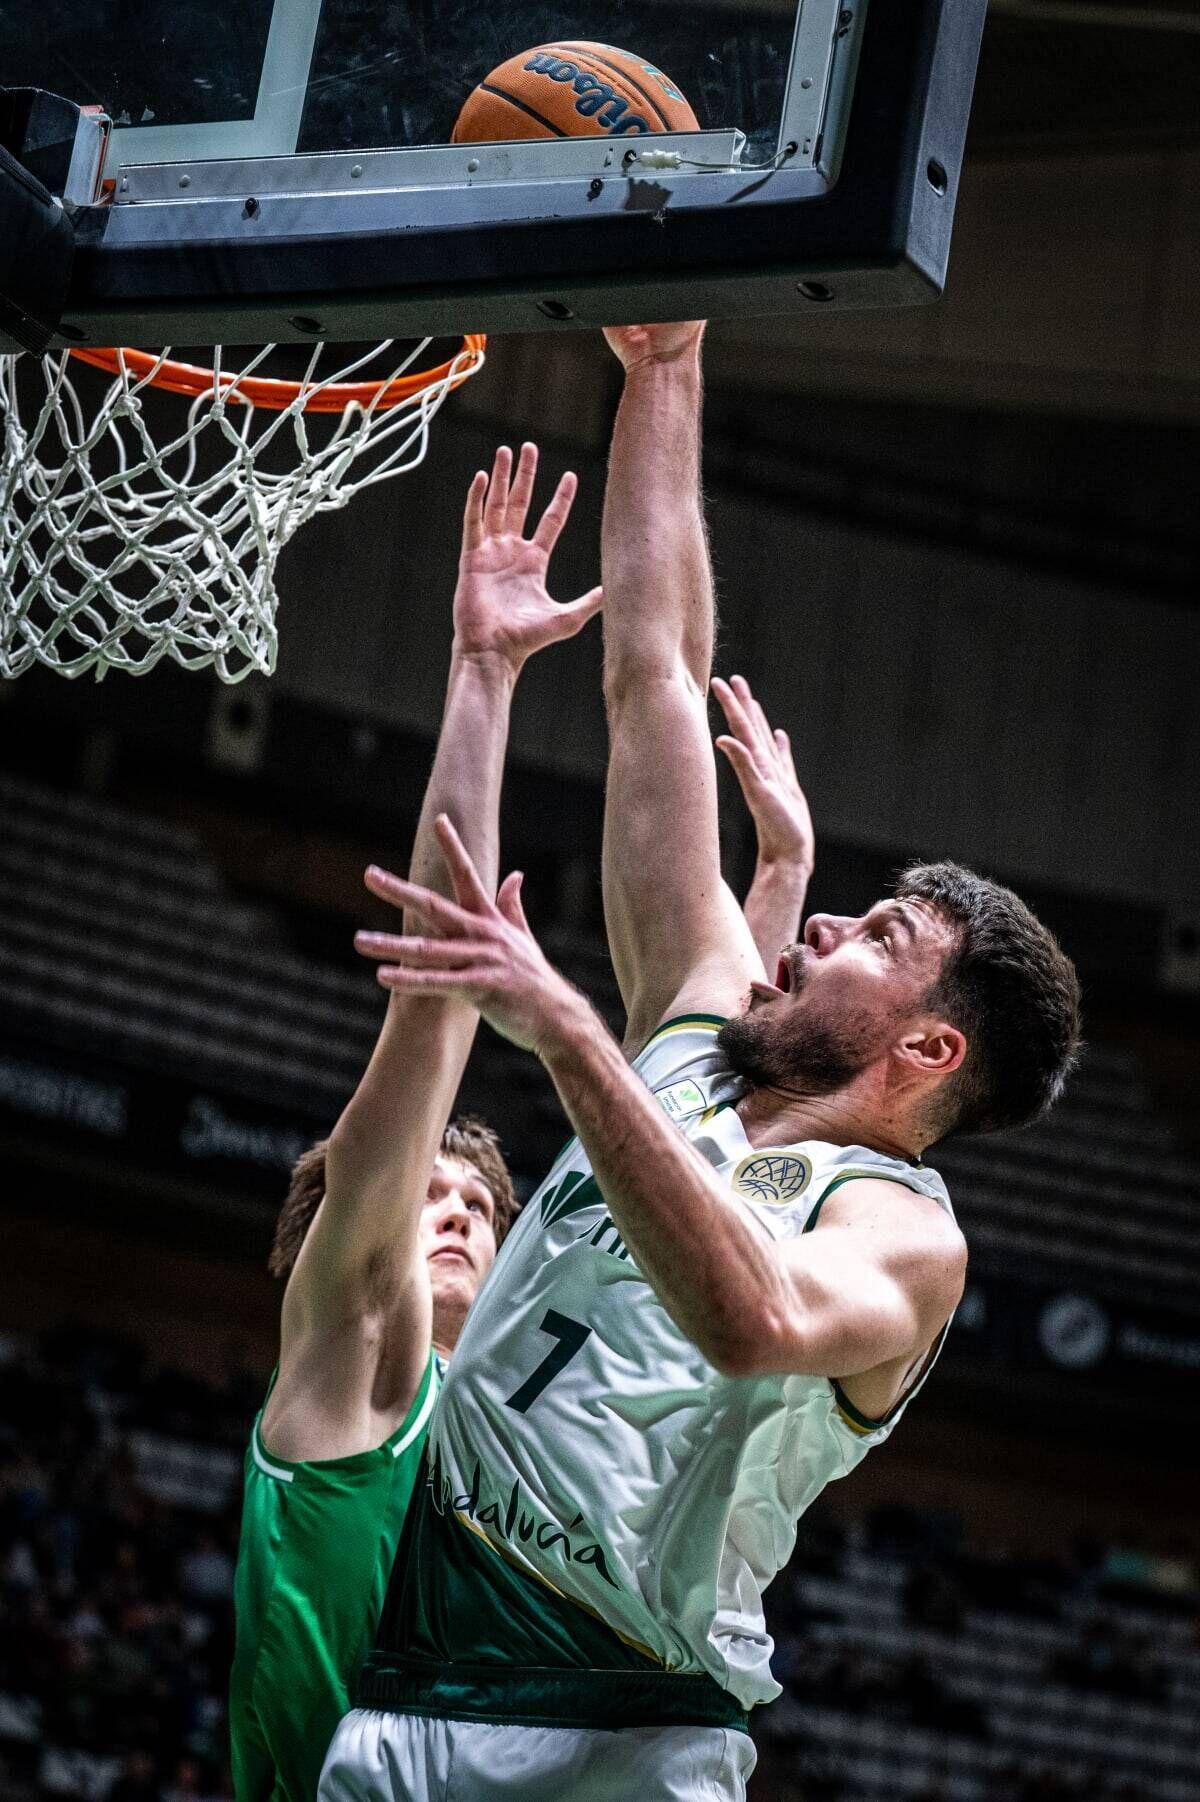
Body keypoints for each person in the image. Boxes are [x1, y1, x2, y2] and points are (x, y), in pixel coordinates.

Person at [321, 324, 1081, 1802]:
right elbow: (654, 674)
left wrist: (575, 1033)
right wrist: (663, 370)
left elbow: (748, 1315)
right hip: (411, 1680)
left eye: (885, 932)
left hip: (623, 1730)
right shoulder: (702, 1017)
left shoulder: (903, 1235)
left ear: (931, 1046)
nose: (831, 917)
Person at [229, 441, 602, 1802]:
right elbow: (438, 1003)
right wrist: (486, 674)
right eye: (424, 1191)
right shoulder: (356, 1353)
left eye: (477, 1208)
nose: (451, 1210)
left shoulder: (514, 1434)